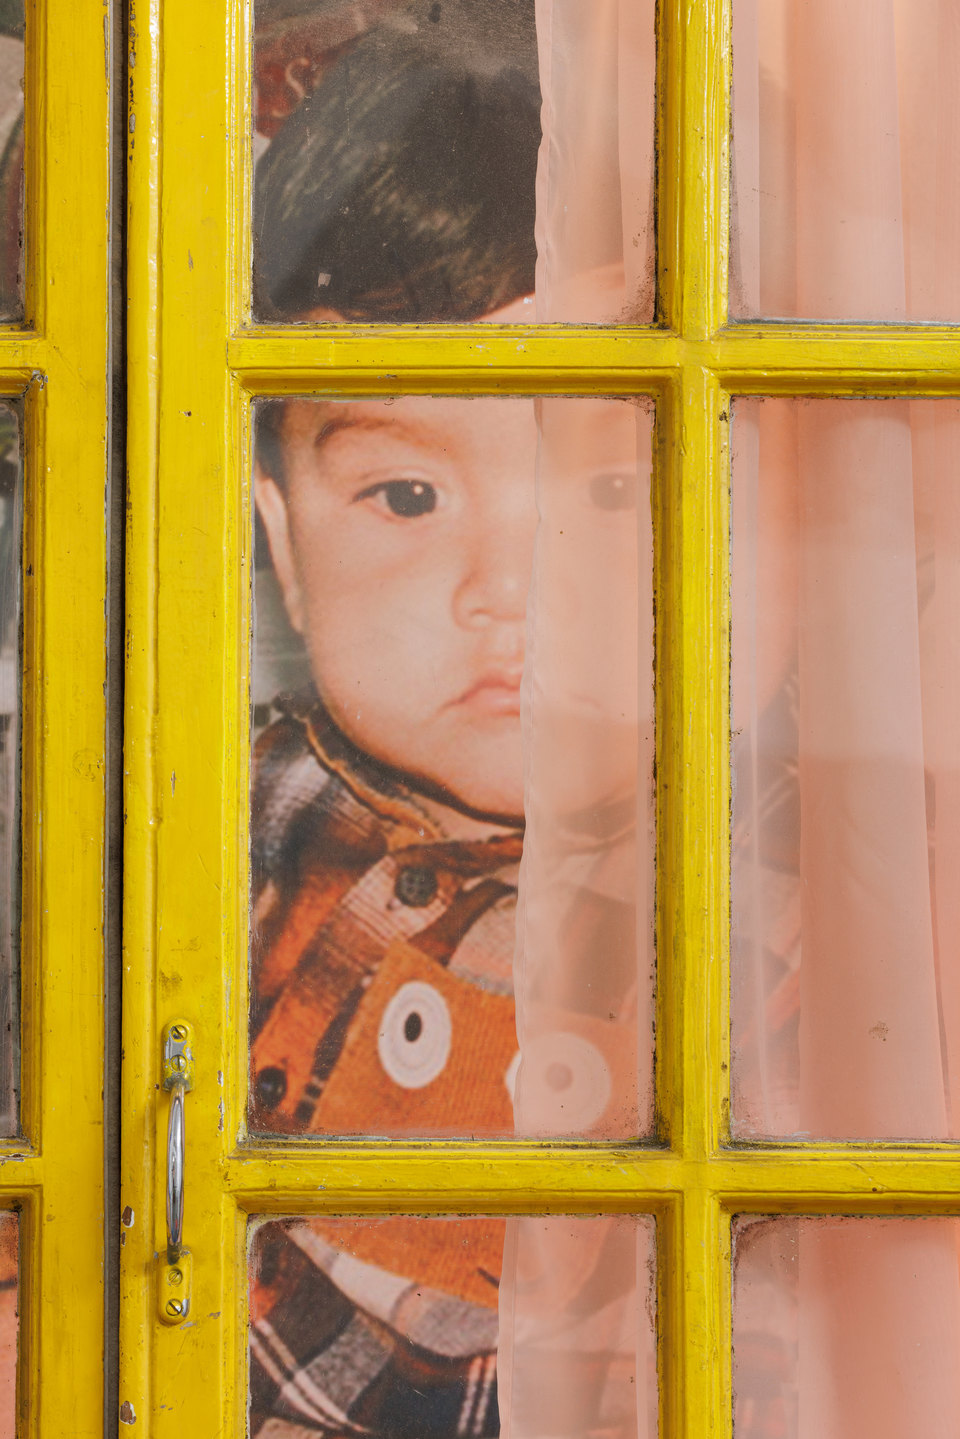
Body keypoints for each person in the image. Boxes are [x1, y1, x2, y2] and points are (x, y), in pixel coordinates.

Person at [248, 28, 537, 1439]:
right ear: (283, 548)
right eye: (406, 498)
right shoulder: (190, 816)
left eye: (610, 489)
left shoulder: (782, 892)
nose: (508, 595)